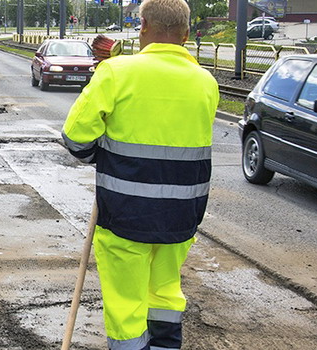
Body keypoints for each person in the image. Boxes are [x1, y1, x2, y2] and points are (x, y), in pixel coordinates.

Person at [62, 0, 219, 348]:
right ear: (187, 33)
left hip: (126, 212)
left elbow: (75, 137)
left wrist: (100, 155)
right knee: (164, 294)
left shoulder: (117, 72)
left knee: (126, 306)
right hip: (182, 214)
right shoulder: (206, 82)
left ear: (143, 26)